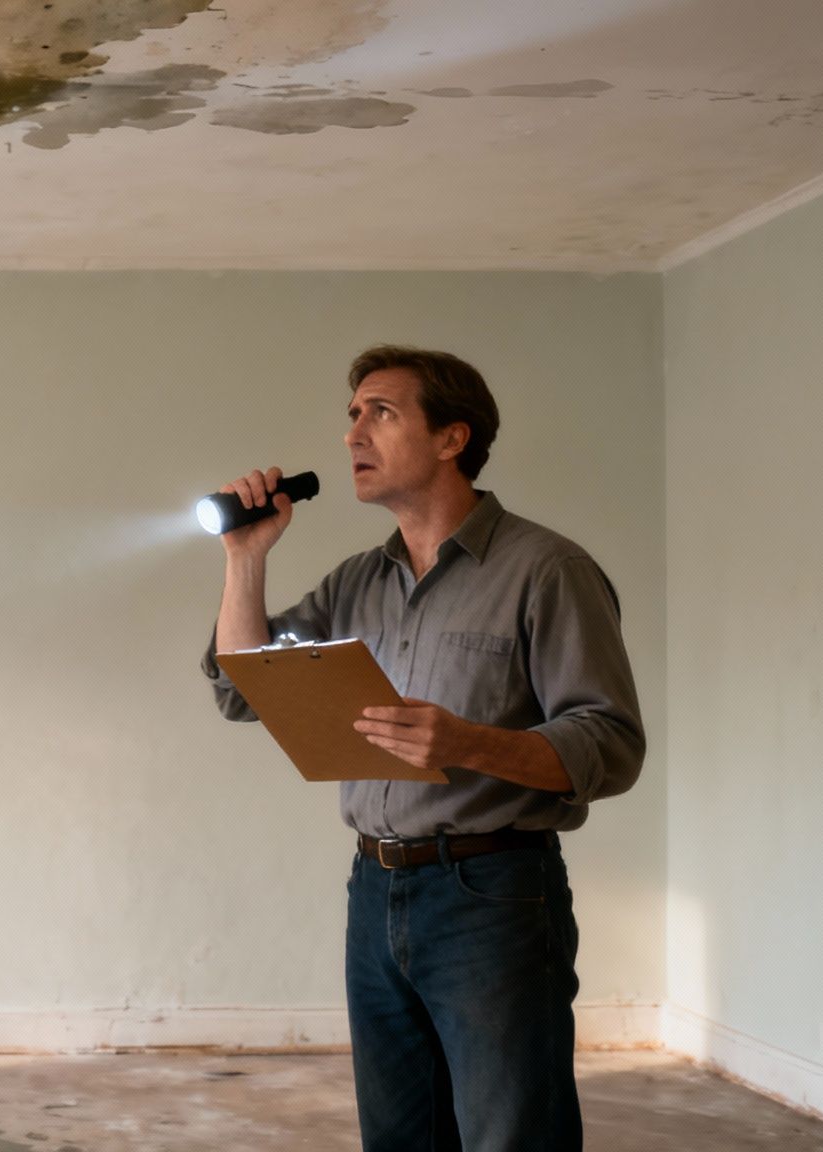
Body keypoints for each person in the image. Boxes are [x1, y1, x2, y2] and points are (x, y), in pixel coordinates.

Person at [202, 345, 644, 1152]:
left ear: (452, 438)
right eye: (351, 415)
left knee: (512, 1136)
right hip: (373, 892)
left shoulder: (547, 570)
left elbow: (609, 745)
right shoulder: (356, 584)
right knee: (401, 1139)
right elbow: (243, 688)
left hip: (495, 897)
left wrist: (471, 742)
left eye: (381, 411)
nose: (352, 434)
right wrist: (246, 559)